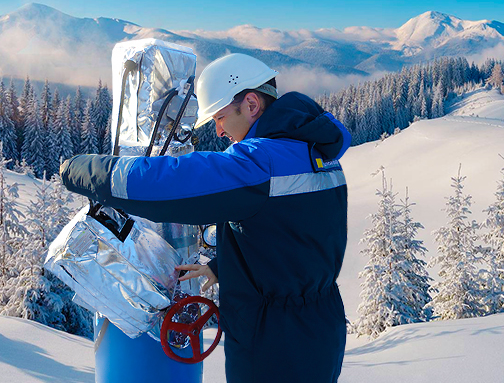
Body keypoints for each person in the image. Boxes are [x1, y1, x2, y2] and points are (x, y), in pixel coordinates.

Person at [59, 53, 350, 382]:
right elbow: (292, 237)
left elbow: (171, 183)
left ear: (251, 104)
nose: (219, 129)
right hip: (317, 327)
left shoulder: (262, 163)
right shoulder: (314, 153)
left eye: (222, 116)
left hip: (277, 343)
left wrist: (84, 172)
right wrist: (221, 266)